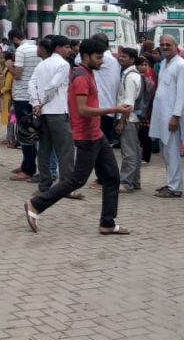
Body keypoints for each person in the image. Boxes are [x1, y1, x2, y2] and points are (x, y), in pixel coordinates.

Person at [24, 39, 133, 235]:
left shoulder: (88, 73)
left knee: (111, 177)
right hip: (87, 137)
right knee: (76, 180)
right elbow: (83, 110)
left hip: (96, 135)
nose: (101, 61)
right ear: (86, 56)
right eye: (98, 58)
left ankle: (107, 222)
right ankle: (36, 204)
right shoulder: (81, 76)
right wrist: (114, 109)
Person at [30, 35, 79, 197]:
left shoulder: (42, 64)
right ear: (58, 48)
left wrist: (36, 103)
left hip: (43, 113)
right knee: (65, 151)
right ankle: (66, 187)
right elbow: (53, 86)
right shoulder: (63, 65)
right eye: (66, 47)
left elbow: (32, 84)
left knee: (44, 150)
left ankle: (44, 185)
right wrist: (42, 102)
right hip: (57, 111)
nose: (69, 50)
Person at [150, 35, 184, 198]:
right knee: (165, 151)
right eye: (162, 45)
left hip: (171, 116)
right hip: (161, 114)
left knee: (172, 151)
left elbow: (182, 93)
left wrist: (175, 116)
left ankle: (175, 187)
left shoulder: (181, 65)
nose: (165, 47)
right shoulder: (165, 63)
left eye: (168, 44)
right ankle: (170, 183)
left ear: (176, 46)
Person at [9, 29, 40, 183]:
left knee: (24, 134)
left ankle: (28, 169)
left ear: (15, 39)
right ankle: (27, 164)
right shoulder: (36, 48)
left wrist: (9, 65)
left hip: (22, 95)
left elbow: (18, 73)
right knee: (31, 132)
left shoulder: (21, 50)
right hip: (34, 95)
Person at [116, 47, 143, 193]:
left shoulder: (130, 77)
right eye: (120, 56)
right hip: (132, 118)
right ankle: (135, 181)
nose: (121, 58)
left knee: (129, 152)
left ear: (132, 59)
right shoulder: (129, 74)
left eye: (124, 57)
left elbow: (129, 103)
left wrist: (121, 121)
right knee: (135, 150)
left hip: (129, 118)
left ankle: (126, 182)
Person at [92, 33, 122, 147]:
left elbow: (78, 59)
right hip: (108, 107)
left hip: (102, 107)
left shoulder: (104, 59)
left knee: (99, 145)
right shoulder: (112, 59)